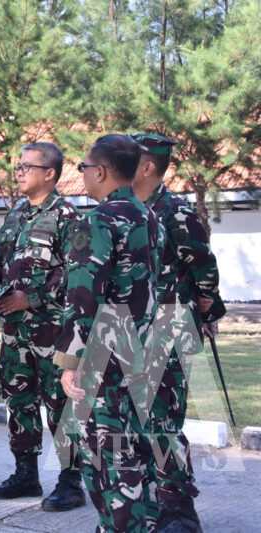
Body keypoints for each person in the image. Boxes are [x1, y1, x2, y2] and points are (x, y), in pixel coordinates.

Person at [54, 134, 161, 533]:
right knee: (136, 449)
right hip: (142, 351)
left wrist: (71, 361)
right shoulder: (147, 216)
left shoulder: (98, 220)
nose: (82, 174)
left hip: (104, 358)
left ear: (99, 171)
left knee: (106, 455)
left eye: (83, 168)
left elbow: (83, 295)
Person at [0, 142, 85, 511]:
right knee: (19, 400)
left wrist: (33, 297)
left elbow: (79, 276)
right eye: (18, 166)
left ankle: (71, 482)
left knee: (60, 406)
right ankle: (26, 474)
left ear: (50, 173)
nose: (19, 171)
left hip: (53, 331)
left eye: (28, 166)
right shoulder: (17, 214)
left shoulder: (67, 217)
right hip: (15, 332)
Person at [132, 132, 225, 533]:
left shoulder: (176, 213)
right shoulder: (128, 211)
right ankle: (153, 502)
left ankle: (180, 510)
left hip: (169, 332)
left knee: (162, 422)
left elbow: (204, 270)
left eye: (129, 158)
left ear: (148, 166)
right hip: (134, 334)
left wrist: (203, 307)